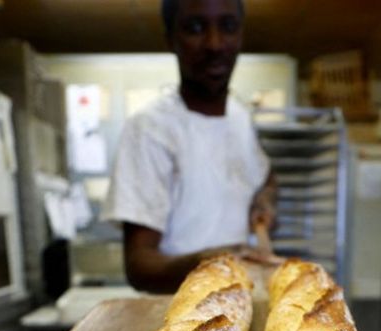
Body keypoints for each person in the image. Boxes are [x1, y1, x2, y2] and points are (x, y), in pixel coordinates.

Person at [102, 0, 277, 293]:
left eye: (228, 26)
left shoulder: (240, 118)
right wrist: (208, 265)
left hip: (240, 301)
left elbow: (266, 176)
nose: (214, 44)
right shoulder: (150, 129)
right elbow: (139, 265)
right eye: (195, 28)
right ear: (170, 39)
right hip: (178, 315)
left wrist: (266, 200)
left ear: (241, 35)